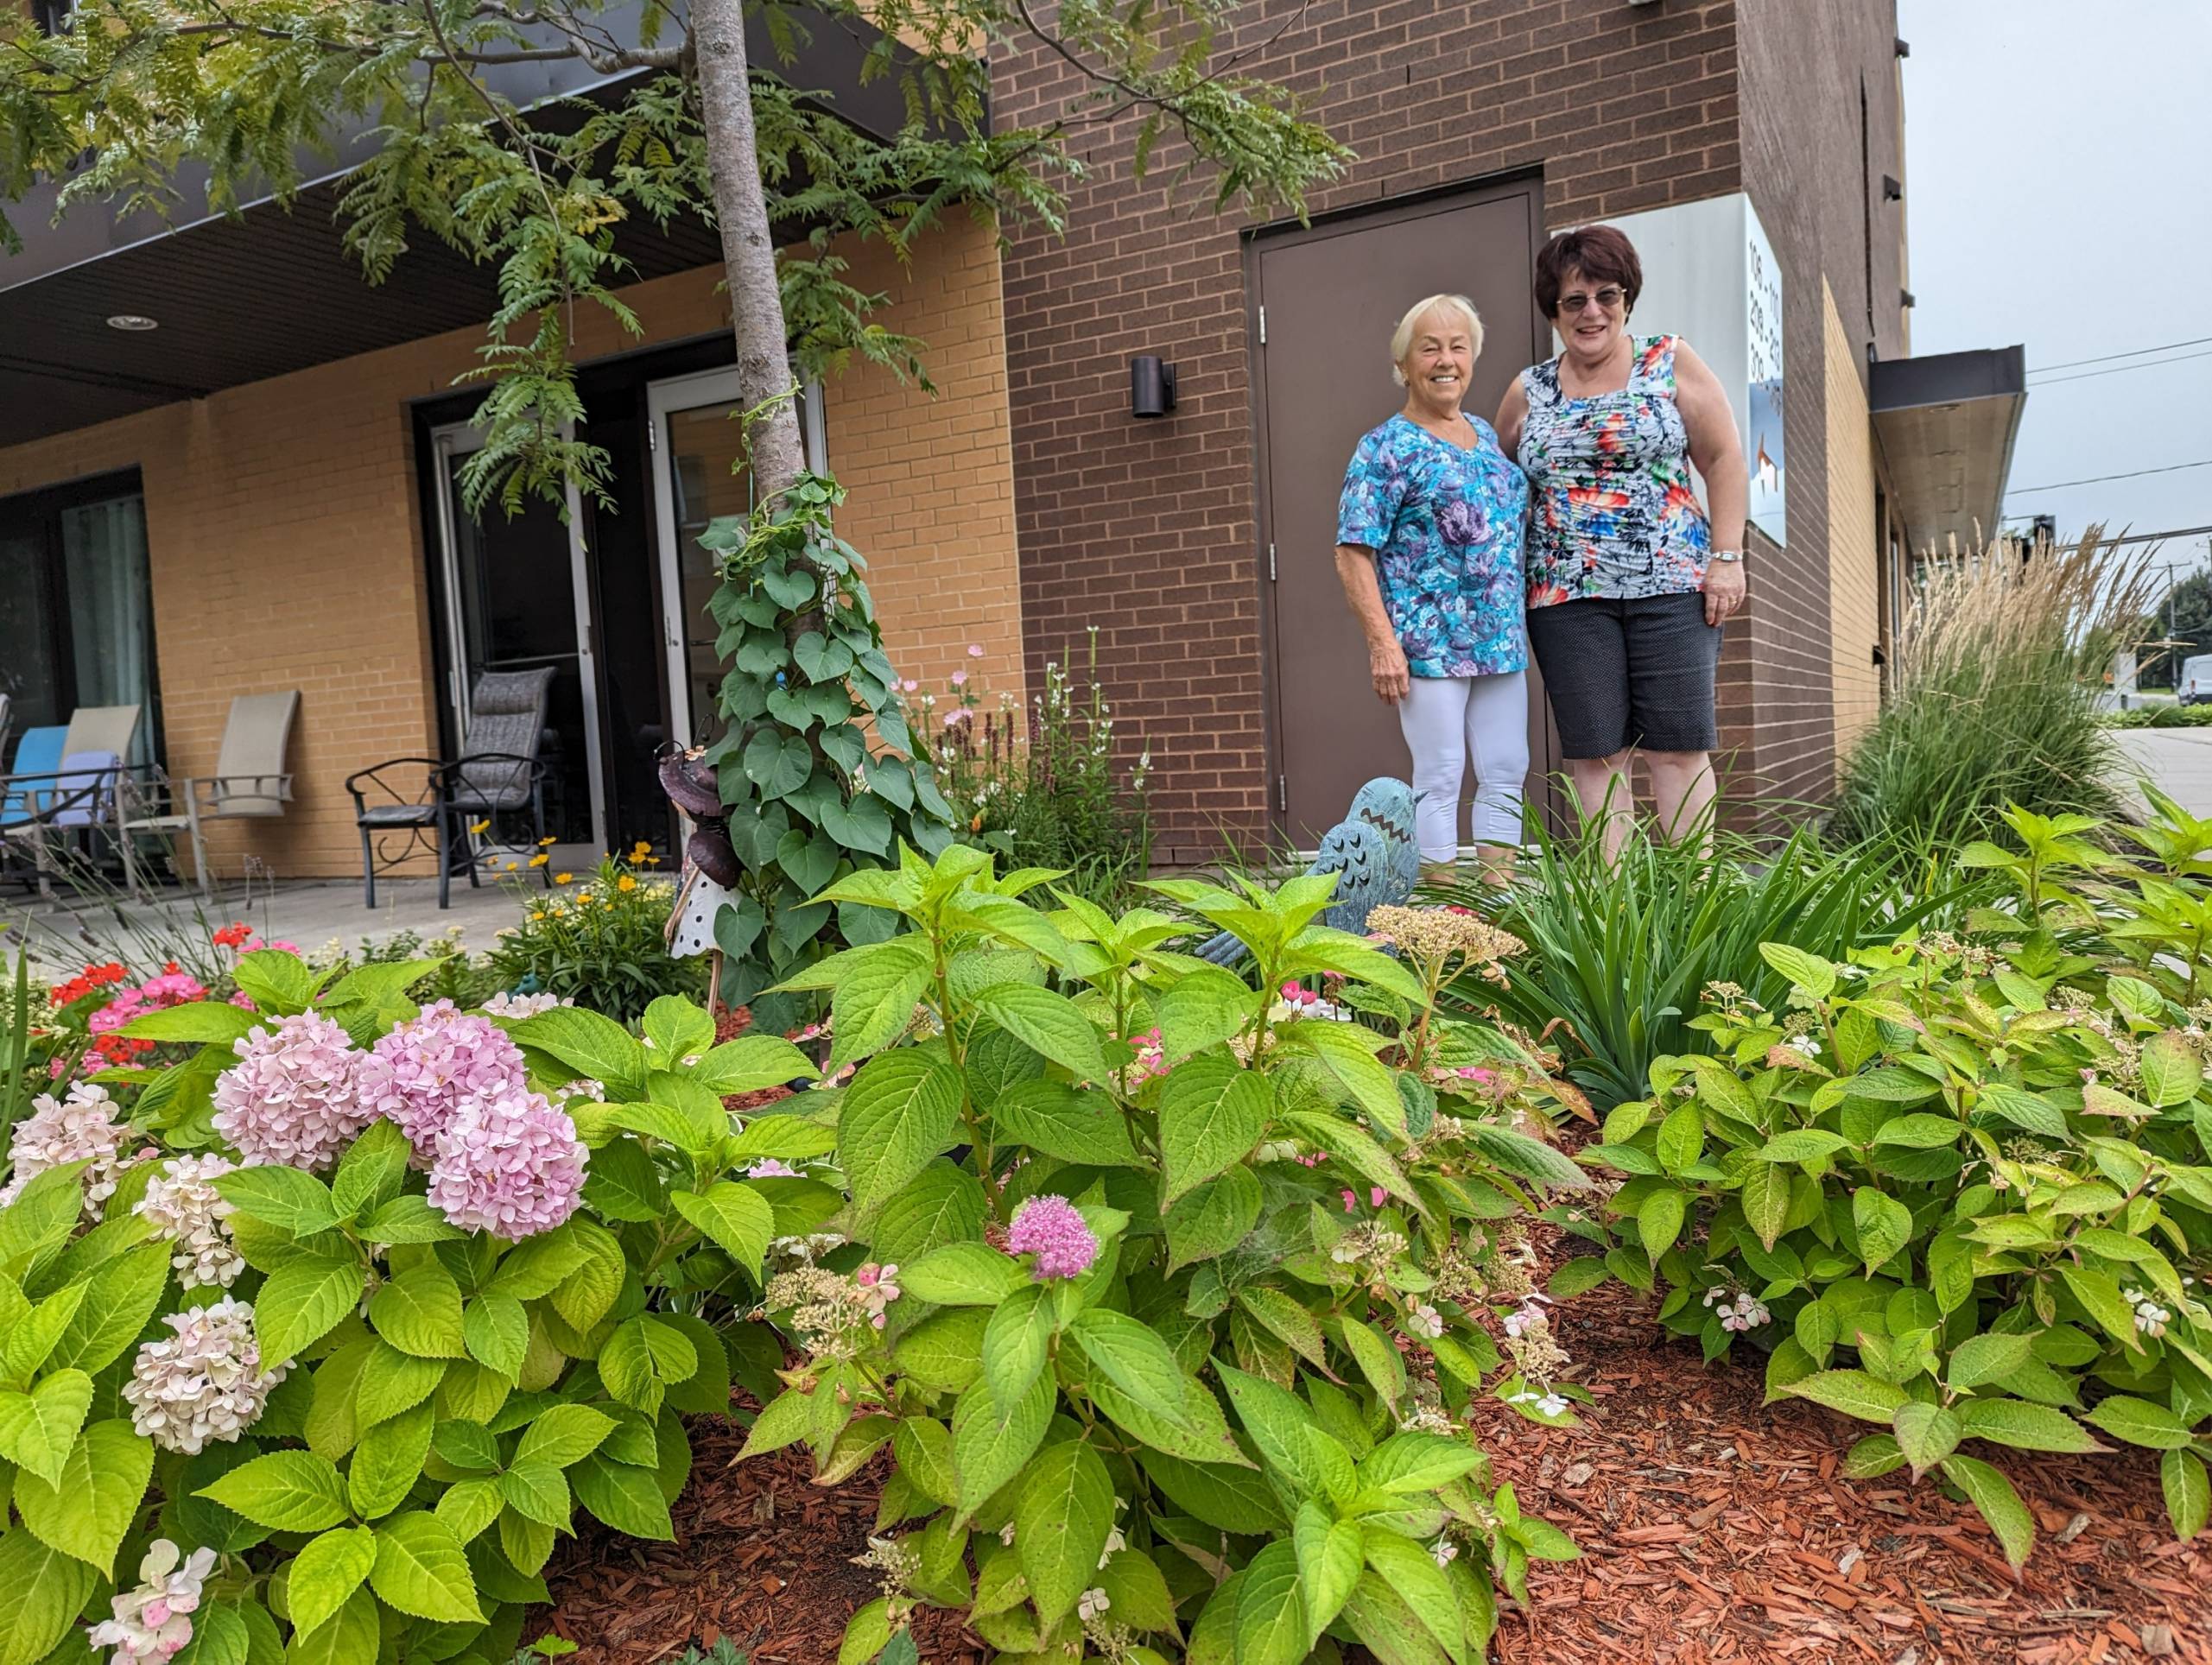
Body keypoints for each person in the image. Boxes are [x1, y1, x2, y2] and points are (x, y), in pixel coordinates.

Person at [1495, 224, 1749, 859]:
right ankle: (1615, 911)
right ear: (1552, 311)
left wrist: (1726, 559)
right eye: (1573, 301)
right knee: (1595, 752)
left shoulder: (1668, 360)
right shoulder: (1529, 389)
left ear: (1627, 299)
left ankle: (1691, 900)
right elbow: (1498, 478)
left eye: (1606, 296)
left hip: (1672, 587)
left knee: (1676, 745)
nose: (1591, 313)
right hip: (1565, 598)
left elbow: (1722, 458)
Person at [1334, 294, 1532, 880]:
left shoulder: (1482, 434)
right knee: (1441, 773)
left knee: (1505, 767)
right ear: (1404, 364)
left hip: (1497, 637)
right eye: (1429, 348)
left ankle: (1497, 907)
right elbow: (1351, 552)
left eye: (1457, 346)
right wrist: (1381, 642)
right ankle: (1444, 913)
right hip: (1428, 644)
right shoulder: (1384, 448)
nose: (1445, 360)